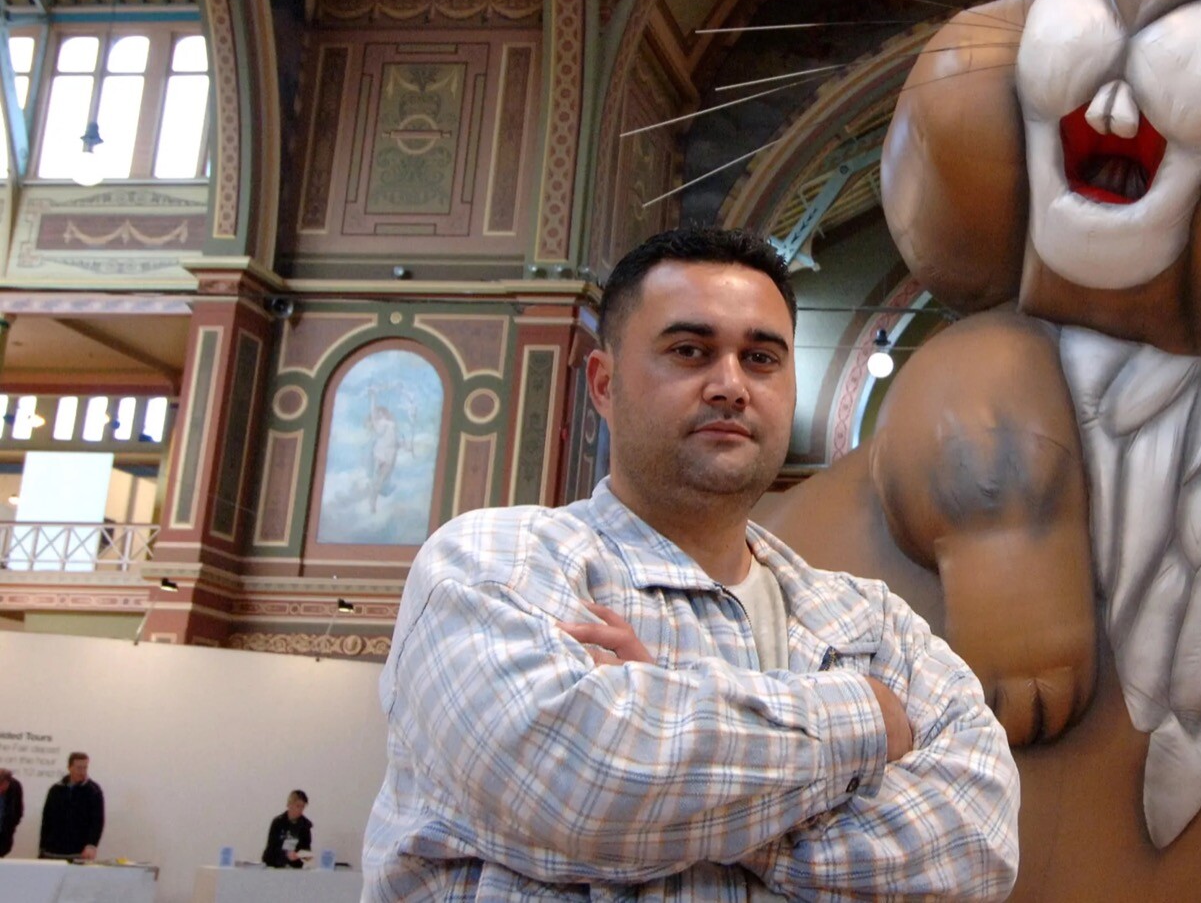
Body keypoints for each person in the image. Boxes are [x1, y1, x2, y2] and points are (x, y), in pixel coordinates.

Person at [364, 228, 1019, 900]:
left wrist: (676, 759)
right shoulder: (495, 565)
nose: (731, 384)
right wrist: (870, 718)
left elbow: (975, 848)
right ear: (604, 382)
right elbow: (585, 783)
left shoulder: (879, 626)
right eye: (690, 350)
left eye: (761, 357)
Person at [38, 752, 103, 860]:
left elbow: (97, 821)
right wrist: (42, 847)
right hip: (52, 851)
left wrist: (91, 845)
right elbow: (46, 820)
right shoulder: (55, 790)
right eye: (79, 768)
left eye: (85, 768)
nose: (82, 772)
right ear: (69, 768)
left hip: (79, 852)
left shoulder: (94, 791)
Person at [263, 790, 313, 868]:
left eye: (303, 807)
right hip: (275, 866)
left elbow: (306, 848)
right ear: (289, 805)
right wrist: (285, 854)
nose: (300, 810)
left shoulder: (305, 825)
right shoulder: (278, 822)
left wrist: (306, 856)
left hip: (295, 868)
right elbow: (271, 849)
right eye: (298, 806)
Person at [0, 766, 23, 858]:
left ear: (8, 782)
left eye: (2, 785)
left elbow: (18, 811)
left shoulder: (16, 788)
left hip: (4, 835)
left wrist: (11, 827)